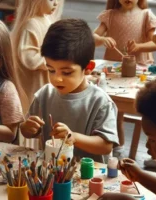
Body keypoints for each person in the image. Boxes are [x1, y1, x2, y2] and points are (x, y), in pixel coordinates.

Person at [20, 19, 119, 163]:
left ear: (88, 68)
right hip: (53, 171)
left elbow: (106, 146)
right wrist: (27, 128)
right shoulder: (44, 95)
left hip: (89, 177)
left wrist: (74, 137)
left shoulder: (100, 101)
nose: (57, 79)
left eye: (66, 72)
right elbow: (28, 133)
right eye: (51, 70)